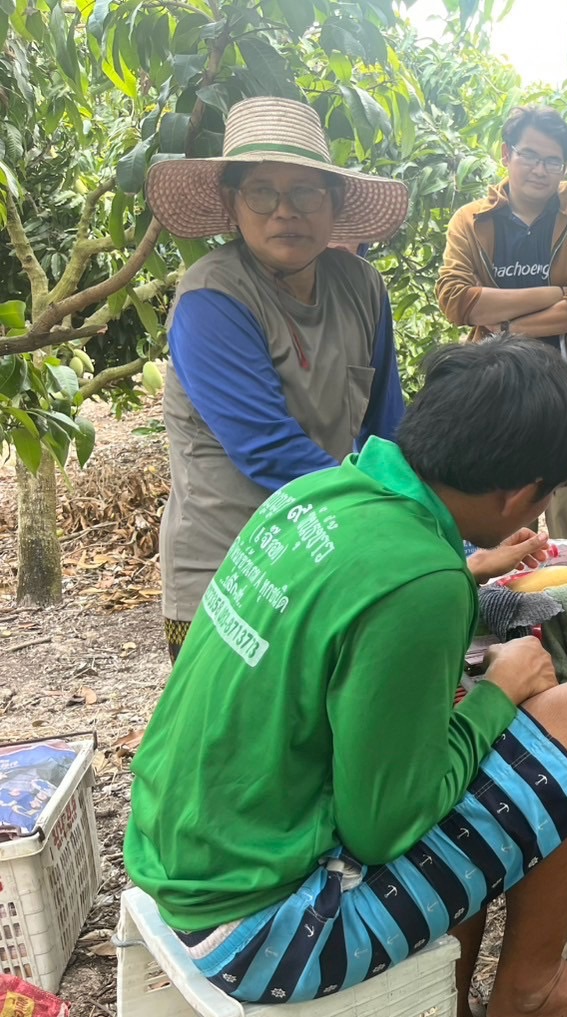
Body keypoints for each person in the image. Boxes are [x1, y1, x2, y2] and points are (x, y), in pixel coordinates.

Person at [123, 339, 567, 1017]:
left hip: (183, 869)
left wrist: (462, 576)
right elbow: (384, 829)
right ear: (520, 494)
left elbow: (353, 601)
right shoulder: (417, 584)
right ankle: (528, 995)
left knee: (492, 752)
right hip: (268, 934)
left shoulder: (315, 497)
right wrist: (500, 689)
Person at [145, 97, 412, 660]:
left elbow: (388, 426)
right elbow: (269, 451)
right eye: (262, 192)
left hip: (332, 556)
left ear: (335, 203)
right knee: (231, 744)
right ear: (232, 203)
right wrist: (404, 513)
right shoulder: (213, 298)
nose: (284, 211)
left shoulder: (362, 287)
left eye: (306, 192)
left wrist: (442, 501)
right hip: (230, 574)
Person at [436, 105, 567, 540]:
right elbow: (455, 299)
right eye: (530, 156)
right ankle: (511, 604)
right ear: (506, 154)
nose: (541, 170)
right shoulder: (472, 221)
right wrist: (555, 294)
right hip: (499, 390)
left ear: (564, 166)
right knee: (504, 510)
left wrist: (504, 326)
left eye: (552, 161)